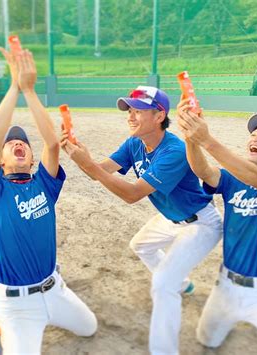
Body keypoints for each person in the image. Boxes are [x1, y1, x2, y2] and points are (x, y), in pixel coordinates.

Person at [60, 86, 222, 354]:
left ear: (159, 116)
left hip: (200, 223)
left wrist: (88, 165)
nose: (130, 117)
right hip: (172, 217)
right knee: (141, 245)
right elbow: (98, 172)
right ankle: (183, 284)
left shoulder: (174, 151)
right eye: (130, 111)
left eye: (138, 111)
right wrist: (82, 158)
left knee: (162, 285)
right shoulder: (134, 143)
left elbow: (132, 194)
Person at [0, 47, 97, 354]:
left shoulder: (45, 184)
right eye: (11, 144)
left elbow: (51, 144)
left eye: (23, 144)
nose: (17, 142)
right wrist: (14, 86)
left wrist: (30, 90)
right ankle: (2, 330)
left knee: (90, 328)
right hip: (17, 304)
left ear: (32, 160)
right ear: (1, 162)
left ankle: (45, 317)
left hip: (54, 288)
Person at [176, 103, 257, 354]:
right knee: (206, 340)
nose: (255, 138)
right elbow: (202, 170)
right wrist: (191, 138)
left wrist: (208, 140)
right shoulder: (232, 178)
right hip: (226, 287)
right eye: (254, 135)